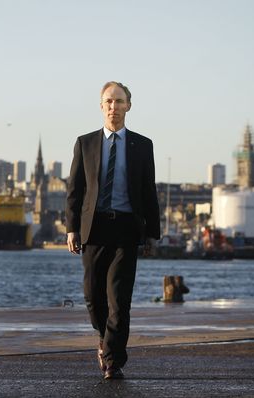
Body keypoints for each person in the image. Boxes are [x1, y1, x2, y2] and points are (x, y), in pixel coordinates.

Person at [65, 81, 160, 380]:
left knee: (119, 299)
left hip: (126, 228)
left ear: (128, 106)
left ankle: (113, 361)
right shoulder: (85, 143)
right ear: (101, 106)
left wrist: (152, 234)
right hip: (94, 228)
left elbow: (148, 191)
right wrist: (71, 229)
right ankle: (104, 339)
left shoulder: (142, 145)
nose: (113, 107)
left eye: (119, 101)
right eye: (108, 101)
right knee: (93, 296)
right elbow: (75, 190)